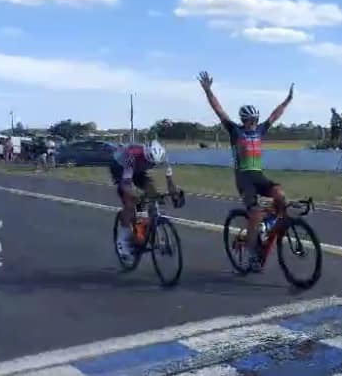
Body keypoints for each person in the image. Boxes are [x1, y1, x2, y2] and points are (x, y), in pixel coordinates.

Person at [198, 70, 293, 271]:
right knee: (256, 213)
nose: (254, 124)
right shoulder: (235, 131)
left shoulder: (260, 131)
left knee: (281, 197)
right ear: (244, 120)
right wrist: (208, 91)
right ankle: (251, 253)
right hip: (244, 179)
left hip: (258, 175)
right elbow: (219, 111)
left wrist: (287, 100)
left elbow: (274, 116)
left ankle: (267, 225)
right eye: (250, 121)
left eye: (256, 120)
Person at [110, 140, 184, 259]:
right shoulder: (132, 155)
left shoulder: (164, 158)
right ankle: (122, 241)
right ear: (145, 155)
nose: (153, 164)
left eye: (155, 164)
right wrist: (133, 195)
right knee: (131, 202)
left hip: (139, 170)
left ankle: (144, 223)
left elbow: (170, 181)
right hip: (119, 167)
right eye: (150, 162)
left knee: (152, 192)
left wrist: (175, 194)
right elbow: (126, 183)